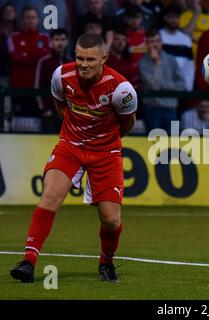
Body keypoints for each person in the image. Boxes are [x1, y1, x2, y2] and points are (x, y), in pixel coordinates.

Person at [10, 33, 137, 283]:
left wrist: (103, 141)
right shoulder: (60, 76)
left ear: (104, 59)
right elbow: (61, 106)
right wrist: (75, 134)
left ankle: (106, 262)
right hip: (70, 146)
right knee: (49, 197)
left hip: (106, 153)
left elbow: (128, 122)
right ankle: (28, 262)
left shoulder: (122, 89)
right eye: (79, 58)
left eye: (90, 59)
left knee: (111, 221)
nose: (83, 64)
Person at [138, 29, 186, 133]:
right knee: (154, 145)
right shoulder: (143, 63)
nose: (154, 45)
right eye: (151, 42)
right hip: (152, 110)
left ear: (161, 42)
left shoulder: (171, 59)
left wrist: (165, 86)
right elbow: (154, 86)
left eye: (157, 41)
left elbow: (182, 84)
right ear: (146, 44)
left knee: (172, 145)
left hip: (171, 108)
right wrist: (156, 63)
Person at [34, 28, 72, 133]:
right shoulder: (44, 61)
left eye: (63, 39)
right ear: (51, 42)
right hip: (49, 114)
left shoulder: (71, 62)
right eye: (57, 39)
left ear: (67, 41)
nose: (60, 42)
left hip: (68, 115)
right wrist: (44, 109)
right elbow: (37, 87)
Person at [160, 4, 195, 91]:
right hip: (161, 86)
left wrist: (188, 87)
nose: (174, 20)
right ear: (165, 18)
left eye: (177, 17)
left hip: (181, 87)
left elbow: (189, 66)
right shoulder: (158, 37)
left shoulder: (186, 40)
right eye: (171, 17)